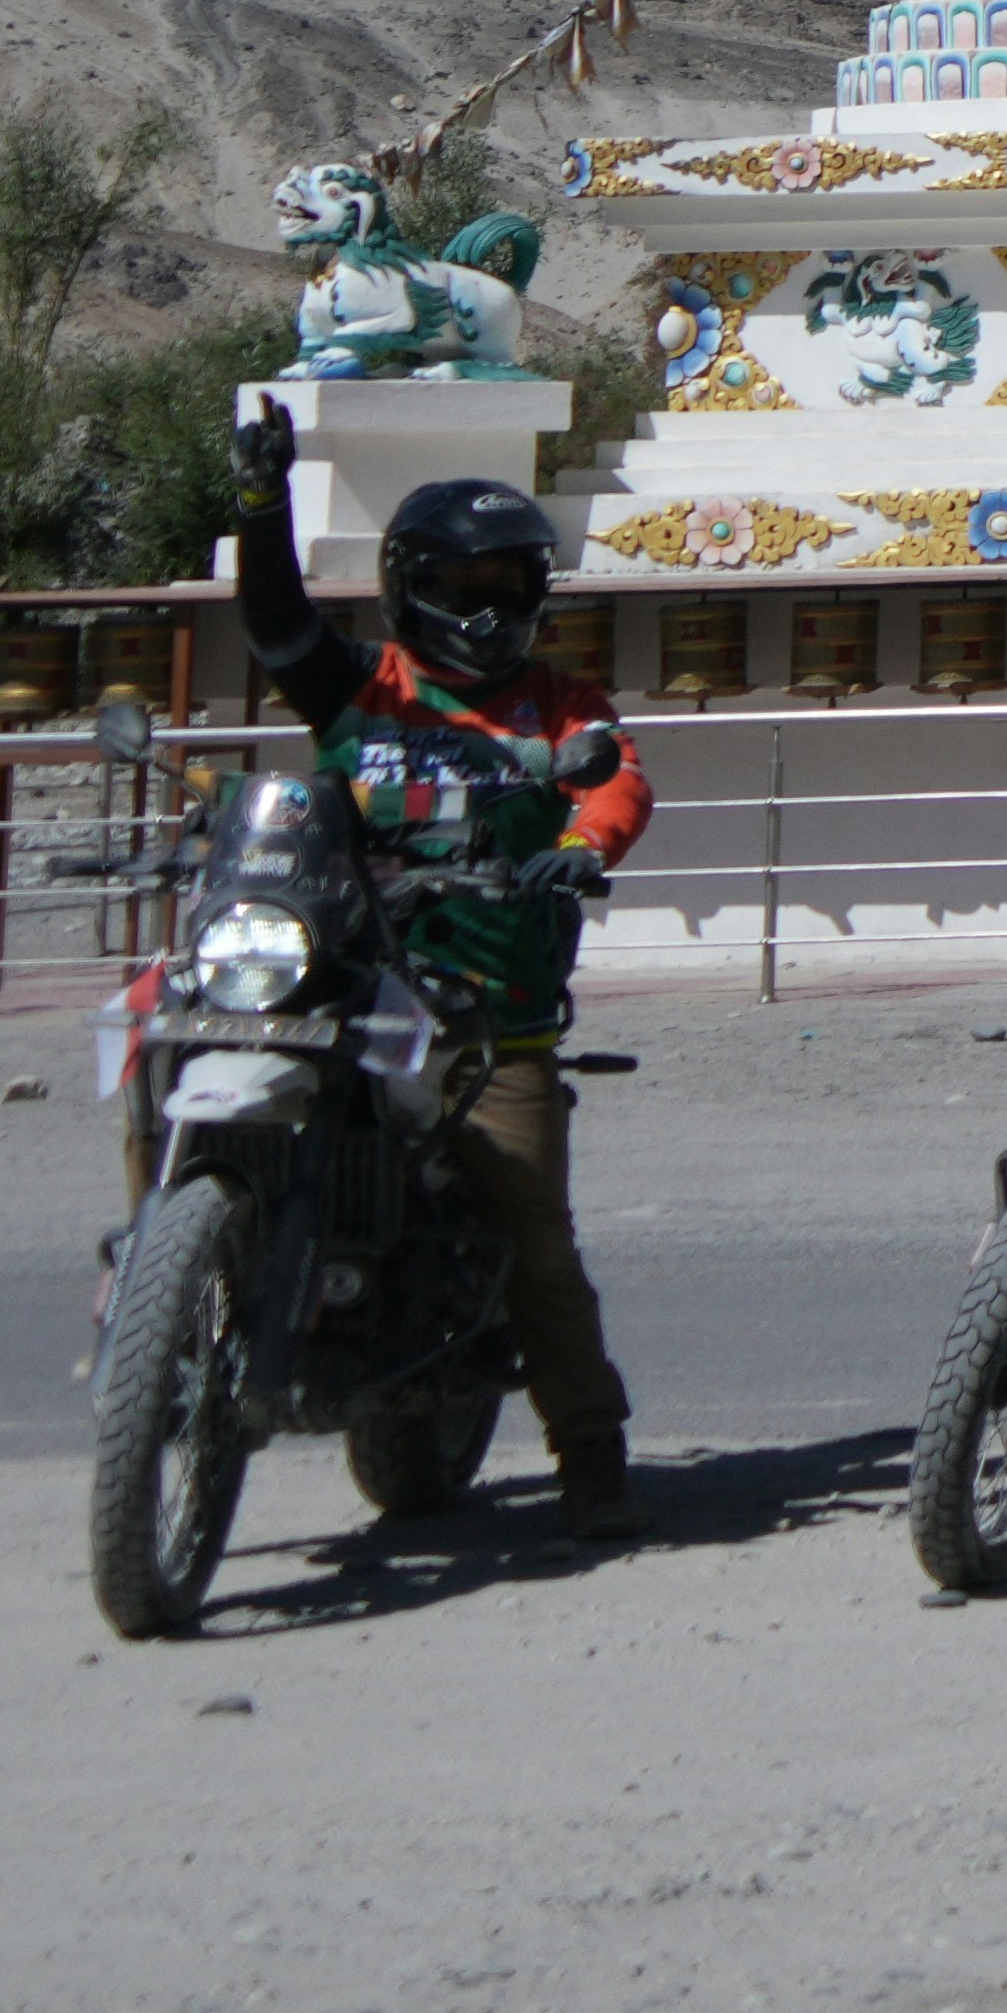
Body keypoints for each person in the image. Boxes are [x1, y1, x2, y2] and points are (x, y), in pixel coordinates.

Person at [210, 412, 651, 1534]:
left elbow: (616, 788)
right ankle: (166, 1292)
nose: (491, 604)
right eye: (467, 581)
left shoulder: (561, 705)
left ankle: (590, 1453)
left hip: (488, 1017)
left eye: (510, 582)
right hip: (346, 991)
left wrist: (577, 849)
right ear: (412, 586)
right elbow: (271, 623)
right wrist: (264, 506)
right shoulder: (363, 686)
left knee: (536, 1239)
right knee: (181, 1059)